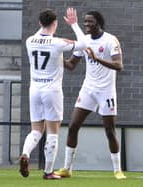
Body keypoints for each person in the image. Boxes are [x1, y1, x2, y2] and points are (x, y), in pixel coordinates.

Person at [54, 10, 126, 180]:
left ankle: (117, 170)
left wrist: (96, 58)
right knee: (72, 127)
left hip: (106, 92)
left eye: (90, 22)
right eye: (85, 22)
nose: (86, 25)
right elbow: (71, 65)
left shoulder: (110, 40)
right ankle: (67, 168)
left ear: (98, 23)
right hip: (88, 90)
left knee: (110, 131)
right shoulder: (84, 41)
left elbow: (119, 65)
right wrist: (56, 58)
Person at [19, 8, 87, 179]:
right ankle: (48, 172)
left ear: (40, 23)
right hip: (52, 91)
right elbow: (84, 44)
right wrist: (74, 25)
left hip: (34, 90)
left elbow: (40, 32)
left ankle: (25, 153)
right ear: (55, 23)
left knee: (36, 131)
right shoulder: (57, 42)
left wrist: (43, 24)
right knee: (52, 132)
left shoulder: (29, 40)